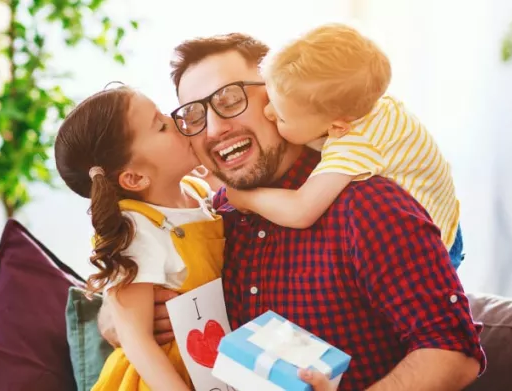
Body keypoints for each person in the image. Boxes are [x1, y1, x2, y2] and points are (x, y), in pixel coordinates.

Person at [100, 32, 485, 391]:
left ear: (278, 96)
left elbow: (454, 353)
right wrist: (122, 322)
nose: (215, 128)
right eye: (195, 116)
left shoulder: (367, 203)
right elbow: (125, 282)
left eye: (231, 99)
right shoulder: (213, 218)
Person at [226, 23, 464, 267]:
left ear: (337, 128)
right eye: (270, 99)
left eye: (282, 116)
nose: (267, 112)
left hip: (434, 243)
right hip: (447, 212)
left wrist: (245, 198)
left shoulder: (356, 144)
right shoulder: (366, 104)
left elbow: (301, 210)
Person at [54, 85, 223, 391]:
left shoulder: (198, 192)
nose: (174, 119)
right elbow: (135, 340)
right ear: (134, 178)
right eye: (160, 126)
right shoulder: (135, 228)